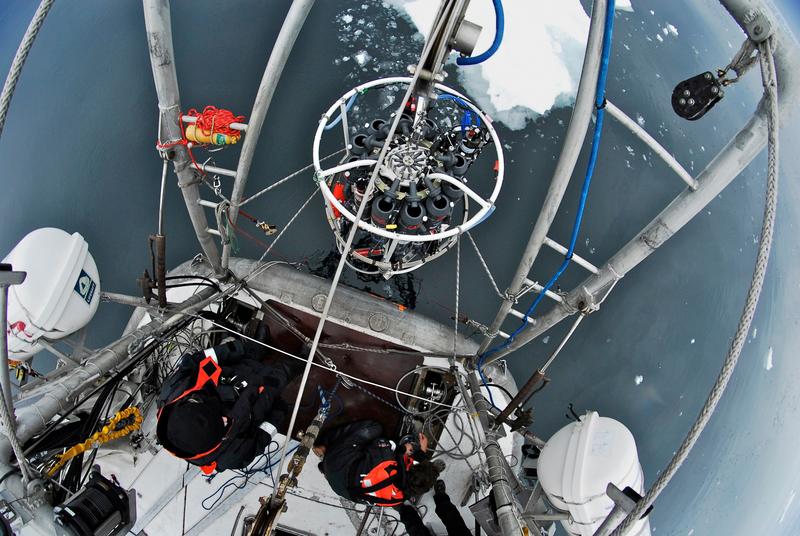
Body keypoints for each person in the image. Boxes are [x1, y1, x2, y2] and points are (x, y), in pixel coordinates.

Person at [156, 337, 300, 474]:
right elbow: (262, 437)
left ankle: (256, 349)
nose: (225, 419)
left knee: (254, 352)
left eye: (220, 418)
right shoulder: (230, 458)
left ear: (191, 402)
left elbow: (201, 358)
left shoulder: (172, 392)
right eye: (222, 424)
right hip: (266, 393)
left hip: (240, 366)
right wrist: (278, 413)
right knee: (284, 373)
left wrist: (241, 349)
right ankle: (299, 361)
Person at [314, 420, 472, 535]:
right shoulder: (398, 498)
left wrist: (405, 448)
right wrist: (419, 454)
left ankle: (324, 446)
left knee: (374, 427)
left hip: (337, 462)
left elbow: (381, 443)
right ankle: (325, 468)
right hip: (340, 488)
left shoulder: (387, 461)